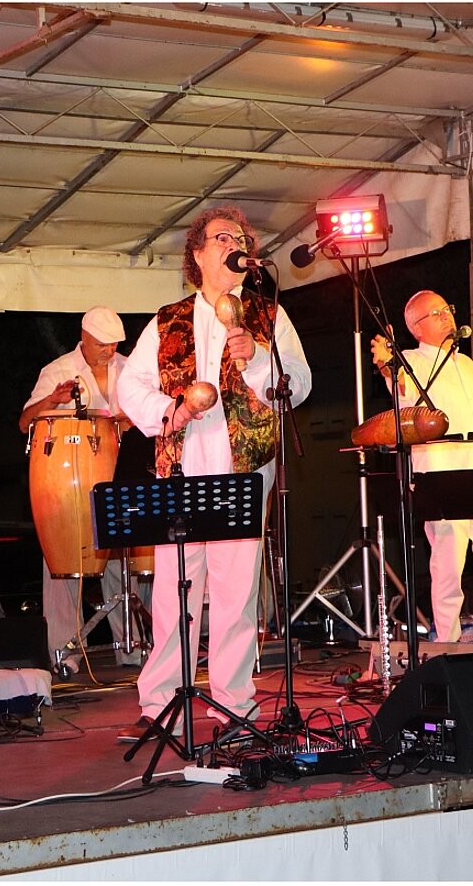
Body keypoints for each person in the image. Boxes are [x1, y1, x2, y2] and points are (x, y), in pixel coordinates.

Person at [114, 205, 312, 741]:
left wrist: (257, 357)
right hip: (181, 463)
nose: (235, 243)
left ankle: (233, 706)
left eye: (241, 237)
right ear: (198, 253)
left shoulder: (268, 316)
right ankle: (159, 706)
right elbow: (128, 388)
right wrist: (170, 411)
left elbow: (299, 381)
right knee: (173, 592)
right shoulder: (167, 319)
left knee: (235, 590)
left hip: (244, 466)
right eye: (223, 236)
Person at [370, 290, 473, 650]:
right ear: (416, 327)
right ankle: (447, 642)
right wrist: (385, 364)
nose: (446, 316)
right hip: (442, 474)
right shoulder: (410, 360)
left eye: (447, 309)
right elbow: (402, 396)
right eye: (436, 313)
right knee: (448, 564)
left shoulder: (467, 364)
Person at [19, 306, 143, 670]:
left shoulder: (131, 368)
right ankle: (64, 653)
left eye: (115, 344)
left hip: (123, 470)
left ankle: (132, 645)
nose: (109, 350)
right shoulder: (57, 371)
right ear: (84, 338)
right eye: (103, 344)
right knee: (65, 563)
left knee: (127, 562)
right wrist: (51, 401)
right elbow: (25, 421)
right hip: (69, 475)